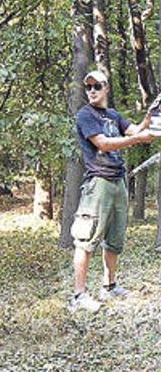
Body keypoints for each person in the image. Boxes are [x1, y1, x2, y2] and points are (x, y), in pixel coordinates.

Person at [68, 70, 161, 313]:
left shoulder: (112, 115)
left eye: (96, 86)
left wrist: (150, 117)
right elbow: (104, 143)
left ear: (106, 87)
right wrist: (139, 138)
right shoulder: (85, 115)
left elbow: (135, 129)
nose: (92, 91)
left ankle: (109, 286)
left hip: (118, 181)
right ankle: (79, 295)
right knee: (86, 239)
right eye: (88, 87)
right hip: (98, 181)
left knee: (115, 239)